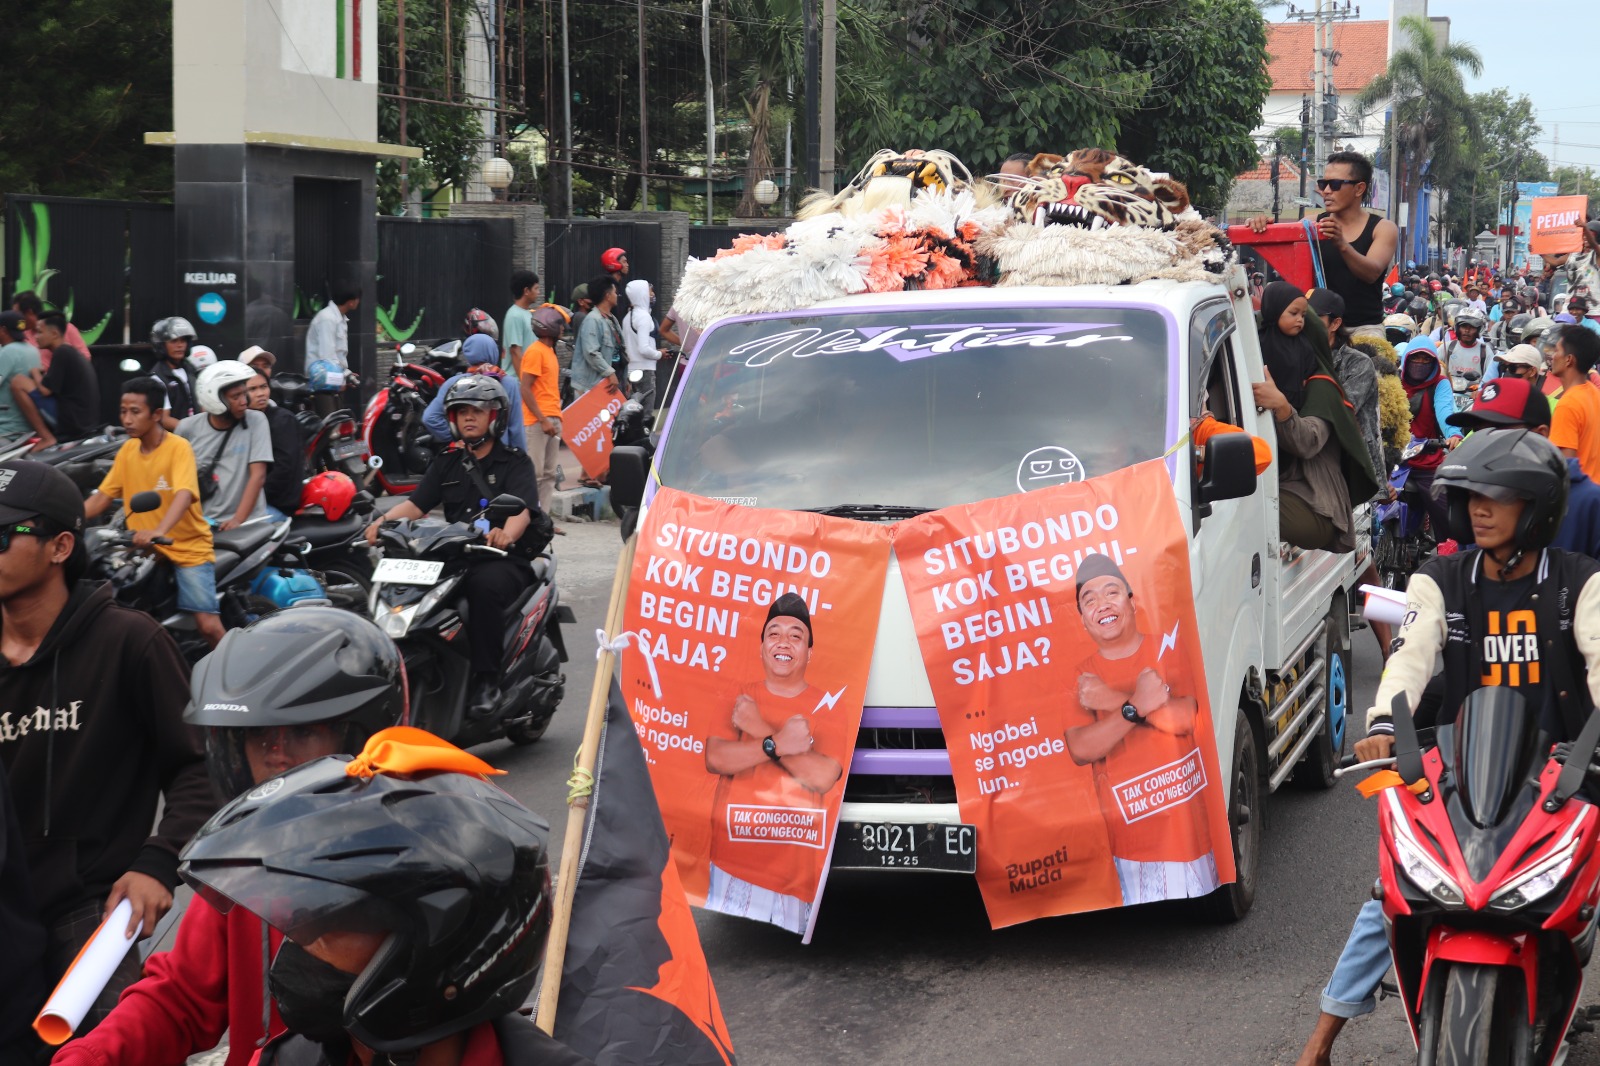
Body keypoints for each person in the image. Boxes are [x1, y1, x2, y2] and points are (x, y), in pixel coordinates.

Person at [1295, 429, 1600, 1066]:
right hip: (1469, 770)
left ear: (1538, 506)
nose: (1479, 509)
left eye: (1497, 496)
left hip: (1567, 774)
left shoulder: (1583, 584)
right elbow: (1408, 659)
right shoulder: (1441, 578)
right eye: (1470, 497)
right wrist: (1383, 720)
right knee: (1396, 891)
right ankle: (1320, 1042)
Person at [50, 609, 408, 1066]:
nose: (278, 758)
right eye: (261, 737)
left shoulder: (423, 850)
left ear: (363, 733)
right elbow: (180, 996)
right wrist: (91, 1057)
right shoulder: (248, 862)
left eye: (303, 732)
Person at [176, 729, 594, 1066]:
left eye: (328, 920)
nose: (304, 944)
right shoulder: (285, 1059)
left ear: (437, 947)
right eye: (299, 922)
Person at [0, 461, 213, 1038]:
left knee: (111, 1048)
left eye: (2, 535)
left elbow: (199, 765)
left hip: (87, 909)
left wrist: (157, 862)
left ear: (60, 545)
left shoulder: (130, 642)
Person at [363, 376, 547, 718]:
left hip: (501, 558)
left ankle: (486, 679)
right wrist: (381, 522)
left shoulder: (515, 461)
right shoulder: (446, 462)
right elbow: (416, 505)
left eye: (477, 410)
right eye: (461, 411)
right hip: (455, 555)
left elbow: (522, 508)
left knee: (483, 588)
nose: (469, 417)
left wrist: (506, 533)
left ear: (495, 417)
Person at [1063, 553, 1218, 905]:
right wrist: (1138, 705)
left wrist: (1112, 701)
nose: (1102, 604)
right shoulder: (1078, 677)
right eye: (1090, 599)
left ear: (1132, 602)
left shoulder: (1169, 645)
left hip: (1187, 833)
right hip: (1131, 845)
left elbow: (1184, 719)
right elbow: (1081, 748)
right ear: (1083, 619)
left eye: (1112, 592)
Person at [703, 593, 845, 934]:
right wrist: (780, 743)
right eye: (774, 633)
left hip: (795, 864)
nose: (784, 642)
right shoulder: (737, 695)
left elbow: (823, 776)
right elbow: (716, 757)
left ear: (810, 652)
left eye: (796, 636)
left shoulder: (828, 706)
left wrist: (761, 733)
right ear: (761, 646)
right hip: (735, 859)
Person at [85, 376, 227, 647]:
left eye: (135, 412)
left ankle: (233, 679)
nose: (127, 419)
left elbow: (184, 494)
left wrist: (159, 530)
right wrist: (65, 518)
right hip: (141, 550)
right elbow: (102, 498)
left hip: (186, 547)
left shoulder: (178, 447)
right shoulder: (127, 450)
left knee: (207, 625)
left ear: (157, 414)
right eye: (123, 411)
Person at [1251, 282, 1380, 552]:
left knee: (1236, 505)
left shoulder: (1322, 385)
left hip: (1313, 503)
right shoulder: (1250, 377)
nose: (1298, 320)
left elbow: (1308, 441)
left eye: (1303, 316)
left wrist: (1282, 407)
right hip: (1275, 484)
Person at [1248, 152, 1397, 329]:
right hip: (1315, 329)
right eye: (1323, 184)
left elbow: (1371, 273)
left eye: (1335, 184)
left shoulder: (1383, 228)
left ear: (1359, 189)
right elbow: (1279, 242)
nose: (1325, 191)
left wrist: (1342, 244)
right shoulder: (1310, 225)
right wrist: (1260, 226)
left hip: (1363, 329)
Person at [178, 361, 274, 531]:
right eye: (235, 397)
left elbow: (258, 475)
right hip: (205, 524)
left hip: (249, 523)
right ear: (214, 399)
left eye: (245, 394)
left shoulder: (256, 421)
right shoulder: (187, 428)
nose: (244, 402)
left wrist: (238, 519)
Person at [423, 333, 527, 452]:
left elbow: (430, 417)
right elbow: (516, 428)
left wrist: (456, 437)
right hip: (500, 458)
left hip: (466, 457)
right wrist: (521, 458)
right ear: (493, 352)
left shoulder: (453, 383)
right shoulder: (508, 383)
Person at [22, 312, 100, 448]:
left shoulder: (61, 352)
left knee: (18, 382)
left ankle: (46, 437)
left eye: (39, 332)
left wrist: (35, 372)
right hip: (84, 420)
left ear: (54, 334)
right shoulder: (69, 352)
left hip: (72, 422)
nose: (35, 337)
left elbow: (45, 391)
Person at [520, 304, 571, 512]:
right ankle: (528, 516)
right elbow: (525, 388)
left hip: (552, 418)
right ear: (549, 324)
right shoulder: (535, 352)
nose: (563, 329)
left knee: (549, 474)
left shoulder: (549, 351)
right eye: (560, 324)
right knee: (536, 473)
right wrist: (542, 419)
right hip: (537, 422)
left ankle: (543, 518)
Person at [248, 371, 304, 521]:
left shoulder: (282, 420)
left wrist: (251, 498)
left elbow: (283, 470)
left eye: (263, 387)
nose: (260, 394)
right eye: (252, 389)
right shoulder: (244, 422)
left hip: (275, 505)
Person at [1549, 323, 1600, 482]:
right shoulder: (1593, 392)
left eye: (1557, 350)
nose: (1552, 356)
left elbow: (1565, 469)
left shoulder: (1568, 404)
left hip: (1578, 500)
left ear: (1569, 360)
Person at [306, 286, 360, 415]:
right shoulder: (327, 319)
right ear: (351, 302)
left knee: (338, 421)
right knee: (330, 424)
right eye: (358, 299)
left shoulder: (340, 319)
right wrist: (341, 377)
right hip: (322, 383)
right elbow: (327, 356)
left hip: (333, 380)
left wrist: (346, 375)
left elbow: (339, 354)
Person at [571, 276, 622, 399]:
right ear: (607, 295)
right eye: (615, 292)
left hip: (607, 384)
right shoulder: (592, 320)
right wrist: (610, 373)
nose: (617, 295)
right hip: (590, 387)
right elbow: (591, 352)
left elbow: (620, 349)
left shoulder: (611, 319)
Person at [11, 292, 88, 369]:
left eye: (17, 315)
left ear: (29, 312)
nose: (16, 319)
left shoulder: (66, 328)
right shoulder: (21, 335)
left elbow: (85, 358)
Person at [621, 279, 665, 412]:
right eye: (649, 291)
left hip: (630, 370)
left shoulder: (628, 317)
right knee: (646, 411)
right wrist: (659, 354)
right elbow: (643, 348)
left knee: (632, 410)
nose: (652, 294)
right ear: (641, 294)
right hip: (644, 371)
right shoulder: (644, 317)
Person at [149, 317, 201, 430]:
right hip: (173, 440)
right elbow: (164, 418)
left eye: (183, 340)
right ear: (161, 345)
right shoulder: (157, 378)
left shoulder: (191, 369)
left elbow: (202, 405)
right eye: (174, 341)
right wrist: (193, 431)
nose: (180, 345)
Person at [0, 311, 43, 444]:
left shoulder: (7, 351)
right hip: (28, 428)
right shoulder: (32, 350)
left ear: (3, 330)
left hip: (7, 430)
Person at [502, 269, 541, 376]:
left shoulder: (526, 313)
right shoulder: (515, 315)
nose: (539, 292)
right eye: (536, 288)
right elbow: (515, 351)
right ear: (526, 291)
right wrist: (524, 384)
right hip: (517, 382)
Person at [1443, 309, 1495, 388]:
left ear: (1479, 329)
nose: (1467, 330)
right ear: (1457, 328)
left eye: (1472, 327)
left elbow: (1491, 379)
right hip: (1448, 392)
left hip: (1474, 395)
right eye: (1463, 326)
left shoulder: (1485, 351)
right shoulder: (1447, 347)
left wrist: (1480, 390)